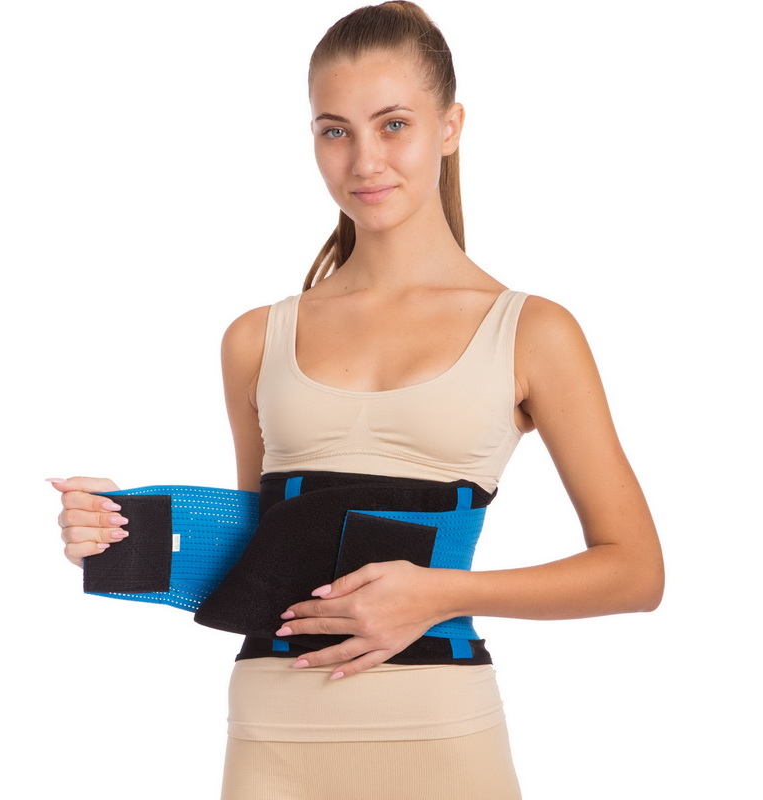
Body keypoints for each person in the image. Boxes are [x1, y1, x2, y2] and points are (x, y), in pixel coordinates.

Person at [51, 2, 664, 797]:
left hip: (439, 732)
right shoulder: (256, 338)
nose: (365, 160)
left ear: (450, 126)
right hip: (274, 735)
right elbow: (268, 557)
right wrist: (122, 530)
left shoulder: (530, 332)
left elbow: (635, 572)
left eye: (394, 124)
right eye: (335, 130)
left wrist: (444, 593)